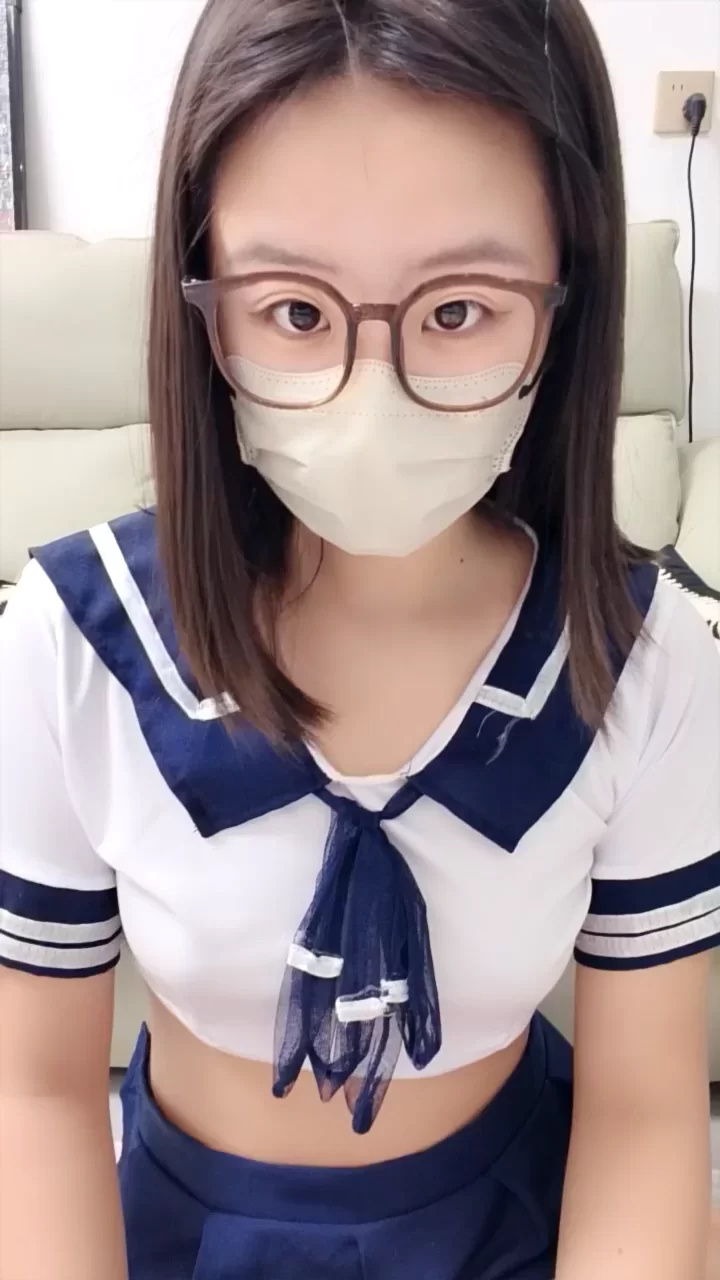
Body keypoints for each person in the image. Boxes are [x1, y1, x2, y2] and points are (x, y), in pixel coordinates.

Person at [1, 1, 718, 1277]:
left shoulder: (645, 660)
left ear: (569, 296)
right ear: (199, 297)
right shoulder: (76, 639)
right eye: (292, 311)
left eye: (459, 310)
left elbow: (650, 1110)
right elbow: (34, 1091)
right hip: (181, 1234)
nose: (370, 394)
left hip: (522, 1220)